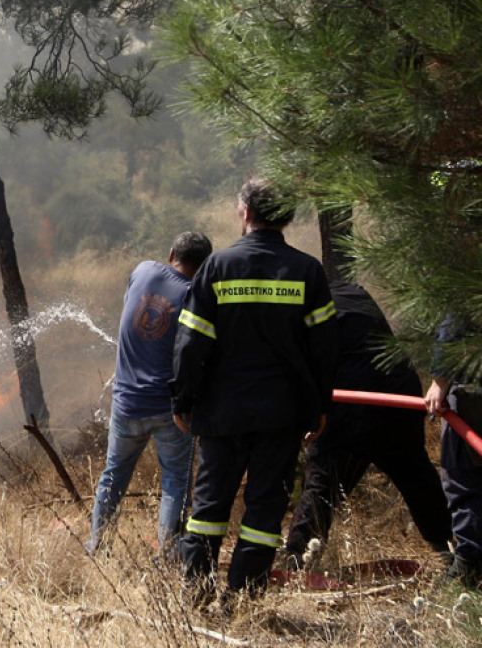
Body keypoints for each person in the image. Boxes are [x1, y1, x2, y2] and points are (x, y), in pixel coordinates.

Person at [170, 177, 338, 604]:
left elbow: (191, 344)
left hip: (222, 412)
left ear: (245, 213)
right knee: (264, 512)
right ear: (285, 217)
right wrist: (321, 405)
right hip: (281, 415)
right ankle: (244, 599)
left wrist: (183, 399)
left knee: (208, 510)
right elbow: (324, 349)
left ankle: (197, 596)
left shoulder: (217, 267)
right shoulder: (307, 271)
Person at [284, 280, 452, 567]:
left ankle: (296, 560)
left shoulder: (301, 307)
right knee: (415, 474)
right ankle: (450, 549)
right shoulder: (352, 292)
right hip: (398, 393)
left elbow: (300, 365)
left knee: (323, 480)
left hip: (351, 403)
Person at [87, 231, 214, 558]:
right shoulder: (195, 295)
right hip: (169, 410)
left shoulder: (143, 270)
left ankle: (98, 548)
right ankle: (168, 556)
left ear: (172, 253)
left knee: (113, 475)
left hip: (126, 402)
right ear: (205, 266)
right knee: (174, 483)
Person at [425, 316, 482, 588]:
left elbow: (457, 308)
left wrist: (440, 379)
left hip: (478, 393)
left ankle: (469, 567)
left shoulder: (472, 276)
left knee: (467, 479)